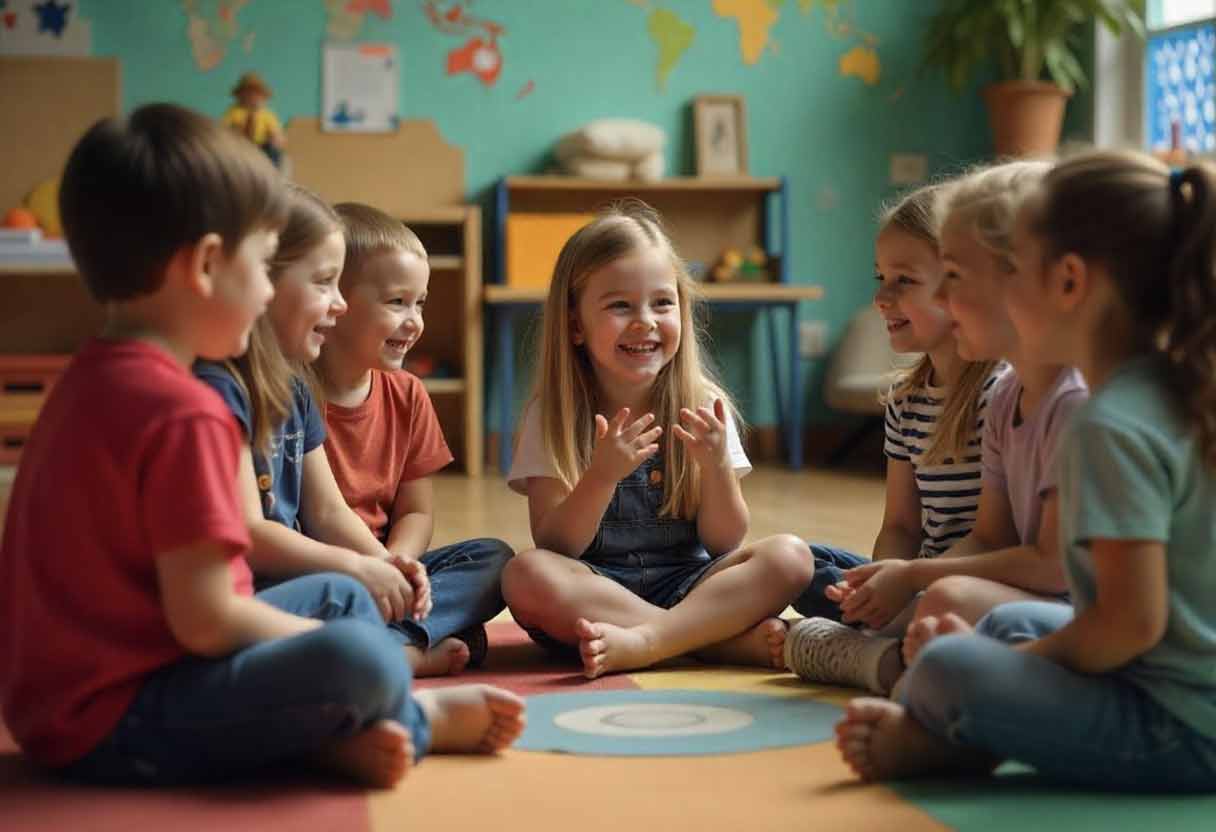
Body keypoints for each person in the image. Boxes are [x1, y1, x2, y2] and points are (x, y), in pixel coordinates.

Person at [0, 104, 522, 789]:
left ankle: (330, 733)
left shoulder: (86, 378)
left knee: (340, 594)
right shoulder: (186, 410)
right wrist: (362, 654)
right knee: (358, 659)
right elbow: (208, 623)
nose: (269, 288)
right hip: (115, 718)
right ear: (210, 265)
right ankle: (411, 720)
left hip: (74, 696)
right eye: (262, 264)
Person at [837, 150, 1216, 792]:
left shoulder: (1107, 424)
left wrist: (1008, 664)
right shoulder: (1159, 391)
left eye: (974, 276)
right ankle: (963, 737)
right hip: (1172, 684)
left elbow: (1128, 626)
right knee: (1006, 622)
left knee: (949, 666)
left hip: (1179, 728)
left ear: (1068, 283)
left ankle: (950, 740)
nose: (948, 299)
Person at [787, 161, 1085, 696]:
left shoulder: (1039, 396)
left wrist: (911, 582)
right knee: (794, 560)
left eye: (946, 280)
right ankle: (890, 645)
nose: (883, 298)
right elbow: (919, 526)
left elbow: (1039, 560)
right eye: (883, 279)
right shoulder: (949, 400)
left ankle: (884, 655)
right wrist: (883, 582)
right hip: (941, 576)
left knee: (947, 603)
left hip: (1012, 591)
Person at [501, 201, 813, 679]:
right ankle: (712, 642)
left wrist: (716, 471)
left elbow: (725, 540)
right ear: (575, 325)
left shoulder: (704, 402)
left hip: (691, 583)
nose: (645, 321)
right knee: (524, 575)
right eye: (620, 305)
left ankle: (651, 642)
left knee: (791, 556)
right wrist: (601, 476)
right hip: (596, 590)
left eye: (662, 303)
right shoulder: (554, 415)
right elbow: (556, 544)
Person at [315, 201, 513, 675]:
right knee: (468, 637)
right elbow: (312, 517)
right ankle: (405, 648)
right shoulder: (295, 394)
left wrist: (399, 564)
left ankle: (388, 643)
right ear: (336, 302)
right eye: (396, 302)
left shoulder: (408, 395)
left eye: (419, 302)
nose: (414, 321)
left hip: (387, 570)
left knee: (495, 559)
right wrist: (374, 570)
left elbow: (418, 511)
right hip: (324, 571)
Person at [222, 71, 286, 167]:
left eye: (256, 94)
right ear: (240, 96)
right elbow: (224, 127)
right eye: (247, 94)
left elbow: (275, 130)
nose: (251, 97)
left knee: (273, 151)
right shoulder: (234, 112)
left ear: (262, 97)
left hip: (260, 144)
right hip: (240, 143)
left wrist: (275, 137)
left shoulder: (266, 114)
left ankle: (272, 170)